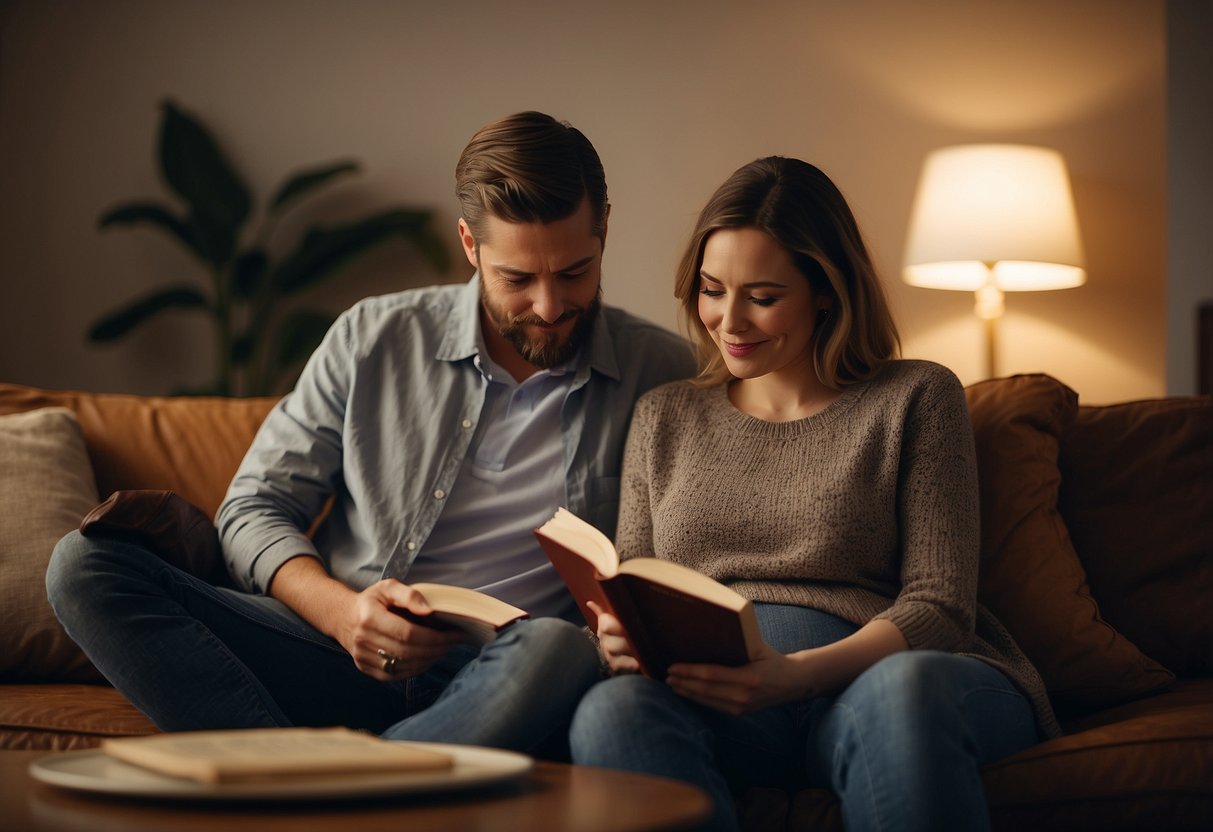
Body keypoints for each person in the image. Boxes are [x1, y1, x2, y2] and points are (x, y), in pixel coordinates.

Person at [46, 111, 694, 756]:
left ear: (603, 227)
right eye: (517, 280)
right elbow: (252, 507)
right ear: (470, 245)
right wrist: (342, 613)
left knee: (558, 647)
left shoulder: (663, 372)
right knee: (83, 566)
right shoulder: (372, 337)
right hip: (340, 655)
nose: (549, 308)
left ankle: (330, 787)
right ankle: (329, 787)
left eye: (574, 272)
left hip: (518, 678)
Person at [568, 156, 1060, 831]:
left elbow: (941, 606)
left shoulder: (914, 396)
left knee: (902, 694)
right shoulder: (666, 415)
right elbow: (634, 583)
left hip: (884, 678)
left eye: (762, 297)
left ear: (825, 291)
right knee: (610, 709)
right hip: (728, 701)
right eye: (713, 290)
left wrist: (795, 674)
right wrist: (615, 639)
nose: (728, 321)